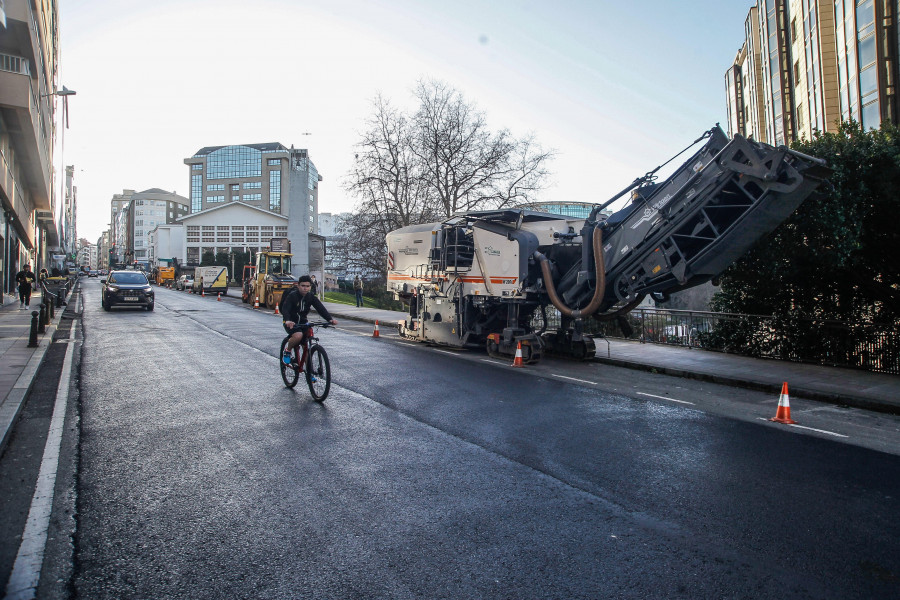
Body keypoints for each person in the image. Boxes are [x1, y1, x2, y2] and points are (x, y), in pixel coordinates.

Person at [280, 275, 337, 365]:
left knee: (306, 345)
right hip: (290, 322)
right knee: (298, 335)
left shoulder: (310, 297)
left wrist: (330, 319)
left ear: (310, 287)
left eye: (307, 286)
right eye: (303, 286)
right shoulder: (292, 296)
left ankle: (309, 373)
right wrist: (287, 320)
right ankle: (288, 350)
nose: (305, 288)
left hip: (303, 322)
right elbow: (285, 309)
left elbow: (320, 308)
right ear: (298, 286)